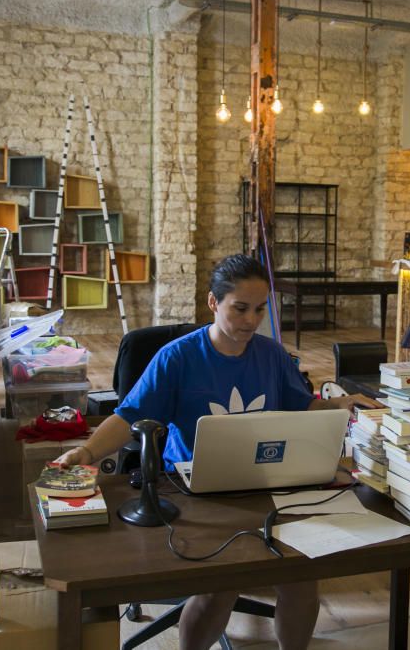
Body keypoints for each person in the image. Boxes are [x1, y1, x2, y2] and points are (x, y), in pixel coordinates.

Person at [57, 253, 378, 650]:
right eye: (239, 308)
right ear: (213, 302)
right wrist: (87, 451)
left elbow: (304, 406)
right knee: (222, 585)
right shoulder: (177, 358)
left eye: (260, 310)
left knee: (301, 577)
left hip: (267, 479)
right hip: (195, 489)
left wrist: (338, 406)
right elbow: (130, 416)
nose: (250, 320)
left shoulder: (272, 355)